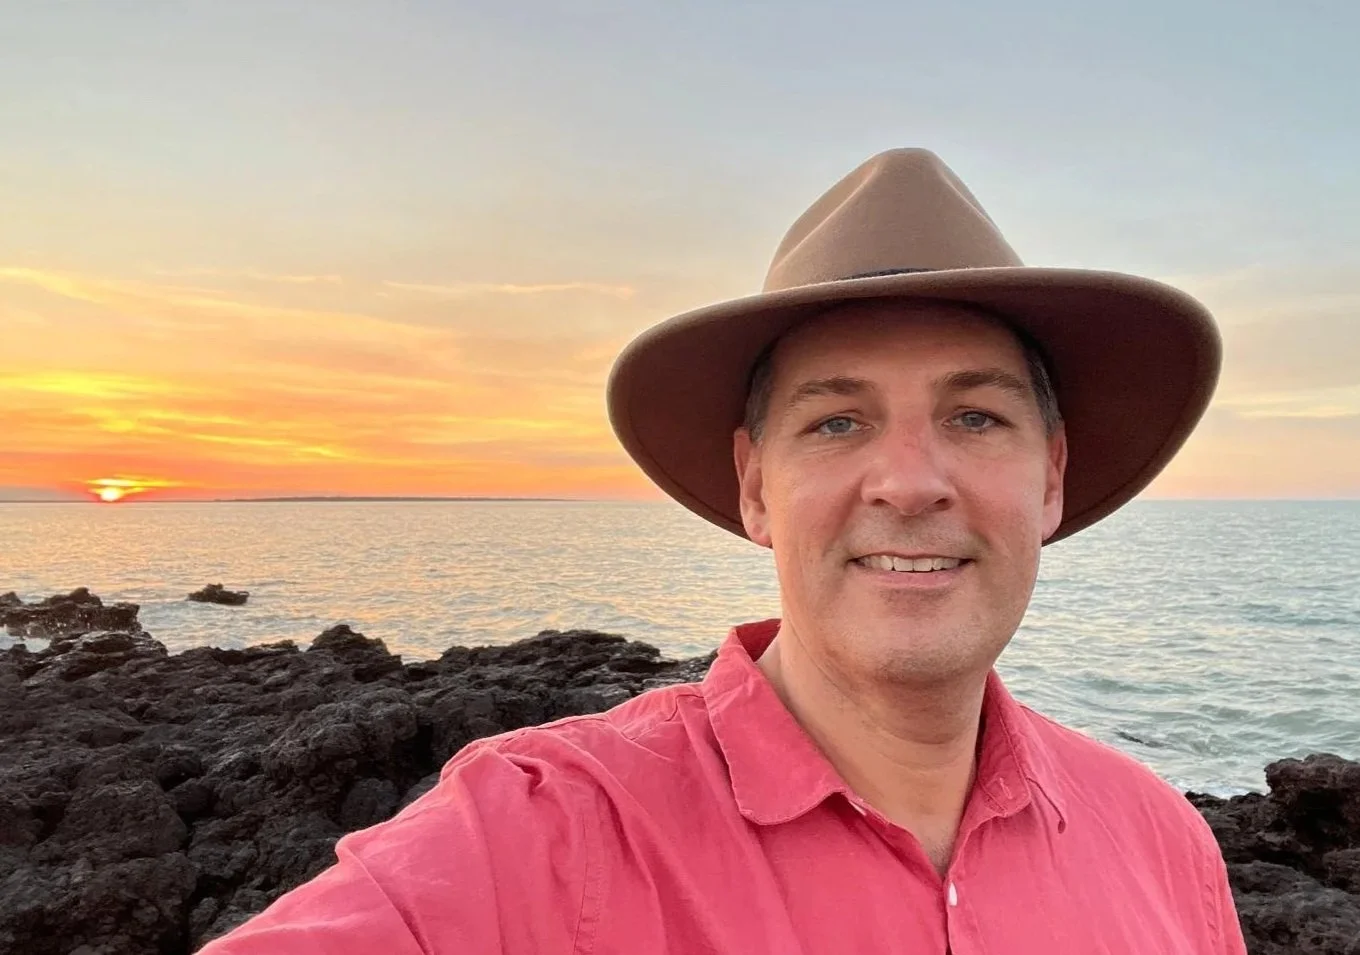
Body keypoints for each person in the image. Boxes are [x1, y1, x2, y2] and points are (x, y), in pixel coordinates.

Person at [202, 148, 1247, 953]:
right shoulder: (541, 832)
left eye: (975, 416)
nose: (909, 481)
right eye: (837, 422)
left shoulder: (1162, 841)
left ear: (1051, 476)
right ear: (755, 487)